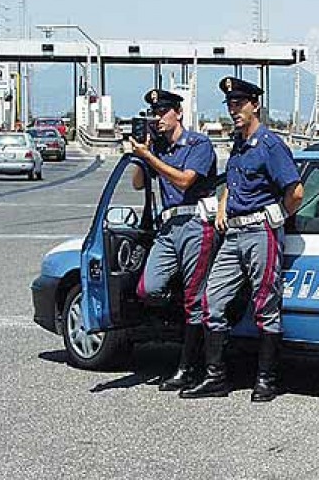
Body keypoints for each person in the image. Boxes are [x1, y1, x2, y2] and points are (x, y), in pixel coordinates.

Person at [180, 77, 304, 402]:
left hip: (260, 231)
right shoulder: (239, 144)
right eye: (230, 105)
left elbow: (296, 191)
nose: (234, 110)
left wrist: (278, 215)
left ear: (255, 106)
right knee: (212, 300)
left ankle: (266, 380)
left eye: (239, 104)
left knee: (265, 304)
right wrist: (223, 204)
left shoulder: (270, 145)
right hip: (234, 233)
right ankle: (215, 378)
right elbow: (233, 184)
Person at [130, 88, 220, 392]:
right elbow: (137, 183)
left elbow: (184, 180)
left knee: (195, 299)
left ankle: (188, 367)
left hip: (195, 221)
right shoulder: (158, 148)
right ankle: (177, 322)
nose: (158, 118)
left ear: (178, 113)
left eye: (162, 112)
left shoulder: (198, 144)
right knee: (148, 287)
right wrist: (142, 155)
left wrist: (150, 157)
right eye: (154, 114)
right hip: (168, 225)